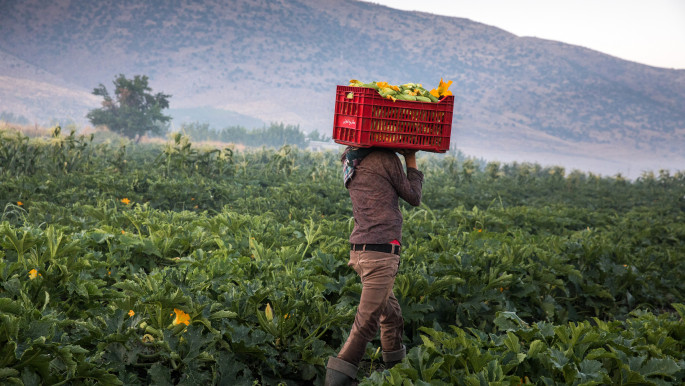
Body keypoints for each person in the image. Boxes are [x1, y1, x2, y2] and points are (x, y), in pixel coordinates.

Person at [325, 146, 424, 386]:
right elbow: (414, 196)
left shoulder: (351, 159)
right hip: (380, 253)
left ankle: (396, 373)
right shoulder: (384, 158)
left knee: (391, 316)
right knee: (366, 322)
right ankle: (336, 380)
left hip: (361, 251)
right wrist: (410, 158)